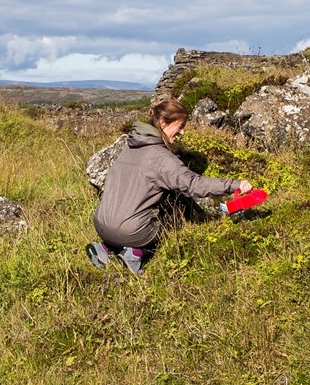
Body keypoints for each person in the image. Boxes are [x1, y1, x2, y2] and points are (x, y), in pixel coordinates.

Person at [85, 98, 254, 275]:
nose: (183, 132)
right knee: (173, 216)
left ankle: (105, 249)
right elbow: (194, 184)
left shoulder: (129, 147)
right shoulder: (162, 158)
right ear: (163, 122)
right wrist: (234, 184)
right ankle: (135, 254)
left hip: (100, 225)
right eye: (180, 126)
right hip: (131, 233)